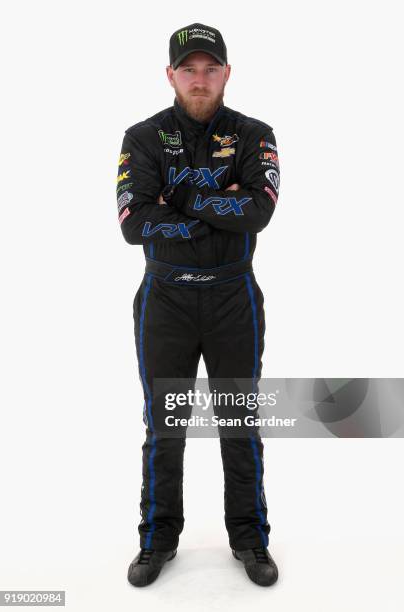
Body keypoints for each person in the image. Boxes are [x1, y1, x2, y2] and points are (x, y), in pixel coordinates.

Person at [116, 23, 280, 588]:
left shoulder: (256, 135)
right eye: (189, 69)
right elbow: (135, 224)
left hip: (234, 297)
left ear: (228, 73)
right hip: (166, 301)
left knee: (240, 421)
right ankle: (158, 539)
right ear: (170, 75)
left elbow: (258, 212)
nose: (200, 80)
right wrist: (218, 204)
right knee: (165, 425)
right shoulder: (142, 138)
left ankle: (250, 537)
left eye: (211, 69)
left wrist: (180, 198)